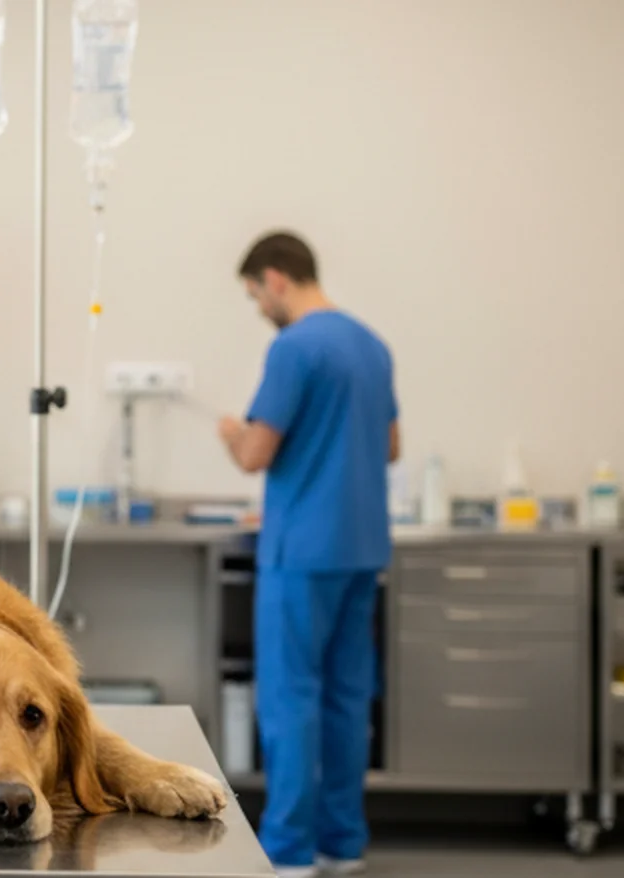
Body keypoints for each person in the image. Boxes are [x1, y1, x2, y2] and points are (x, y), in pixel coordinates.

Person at [215, 232, 398, 878]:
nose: (259, 306)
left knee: (290, 699)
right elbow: (391, 447)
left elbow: (256, 455)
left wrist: (233, 433)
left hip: (302, 553)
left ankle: (289, 851)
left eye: (255, 294)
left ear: (277, 279)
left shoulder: (294, 347)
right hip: (360, 549)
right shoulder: (372, 346)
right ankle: (342, 844)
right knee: (348, 698)